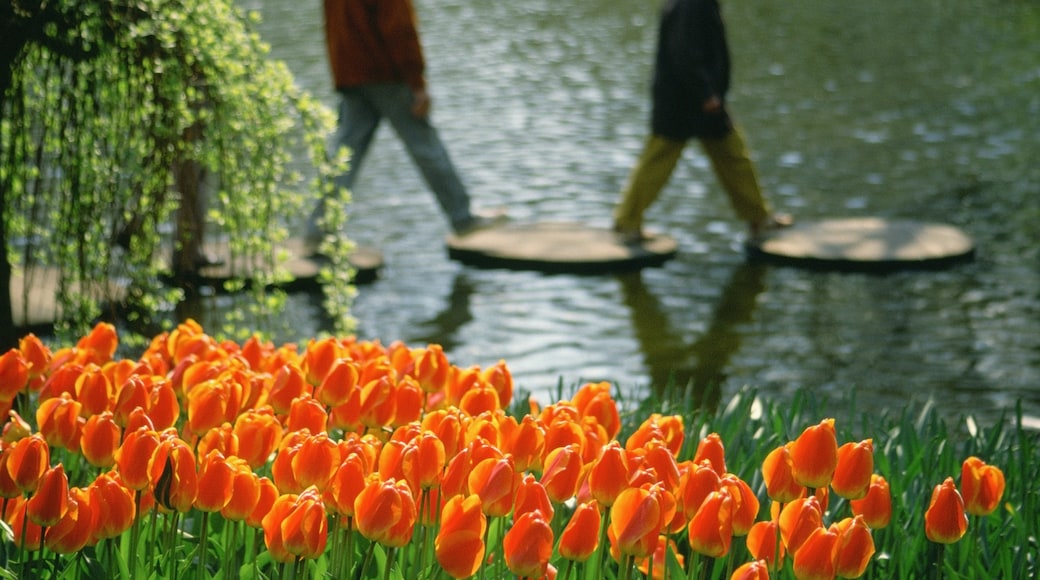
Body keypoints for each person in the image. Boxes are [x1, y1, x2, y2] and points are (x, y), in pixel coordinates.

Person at [307, 0, 502, 252]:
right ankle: (462, 217)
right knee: (425, 145)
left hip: (350, 75)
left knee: (344, 156)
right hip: (388, 75)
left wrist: (342, 75)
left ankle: (317, 230)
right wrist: (417, 82)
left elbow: (334, 25)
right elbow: (398, 27)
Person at [613, 0, 790, 244]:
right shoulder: (692, 4)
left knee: (733, 155)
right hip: (685, 101)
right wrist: (706, 93)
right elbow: (684, 51)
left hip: (695, 98)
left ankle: (759, 217)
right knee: (658, 161)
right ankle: (627, 223)